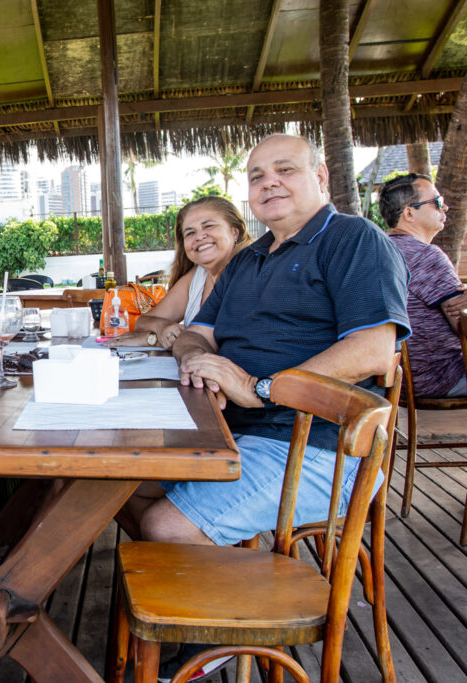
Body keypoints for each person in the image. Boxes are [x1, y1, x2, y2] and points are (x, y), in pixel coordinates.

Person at [123, 134, 409, 681]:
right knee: (119, 486)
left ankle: (224, 629)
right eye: (256, 175)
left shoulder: (353, 239)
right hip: (240, 433)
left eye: (285, 169)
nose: (269, 182)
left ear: (320, 176)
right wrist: (193, 356)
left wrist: (260, 384)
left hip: (319, 445)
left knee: (164, 523)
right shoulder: (249, 259)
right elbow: (195, 334)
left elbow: (374, 348)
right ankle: (216, 591)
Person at [99, 196, 251, 349]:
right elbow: (143, 322)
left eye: (209, 226)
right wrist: (162, 327)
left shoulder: (248, 272)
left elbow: (222, 343)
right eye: (190, 233)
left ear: (235, 232)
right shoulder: (198, 275)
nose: (199, 236)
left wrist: (152, 339)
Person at [379, 173, 467, 397]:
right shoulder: (425, 256)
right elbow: (463, 324)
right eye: (437, 202)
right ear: (409, 213)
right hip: (442, 376)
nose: (444, 208)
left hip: (395, 379)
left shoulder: (378, 251)